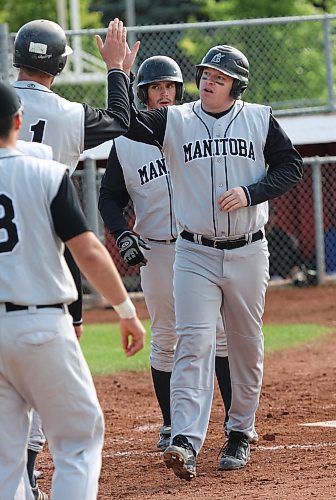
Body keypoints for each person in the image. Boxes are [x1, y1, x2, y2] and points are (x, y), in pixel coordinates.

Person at [116, 41, 303, 480]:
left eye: (219, 78)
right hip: (193, 252)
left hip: (248, 250)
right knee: (193, 342)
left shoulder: (259, 118)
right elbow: (124, 121)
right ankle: (184, 439)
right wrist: (119, 74)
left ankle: (239, 431)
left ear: (236, 86)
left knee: (244, 346)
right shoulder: (175, 120)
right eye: (205, 74)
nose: (209, 82)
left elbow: (290, 167)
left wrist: (252, 193)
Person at [0, 81, 145, 499]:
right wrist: (125, 310)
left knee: (5, 461)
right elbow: (89, 253)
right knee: (78, 440)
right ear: (18, 121)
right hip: (41, 323)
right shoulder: (47, 173)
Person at [98, 55, 232, 452]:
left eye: (171, 87)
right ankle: (172, 423)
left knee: (222, 336)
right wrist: (122, 233)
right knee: (166, 339)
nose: (165, 95)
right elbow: (109, 197)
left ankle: (234, 422)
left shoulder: (197, 127)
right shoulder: (126, 144)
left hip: (203, 246)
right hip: (156, 251)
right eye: (156, 88)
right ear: (143, 94)